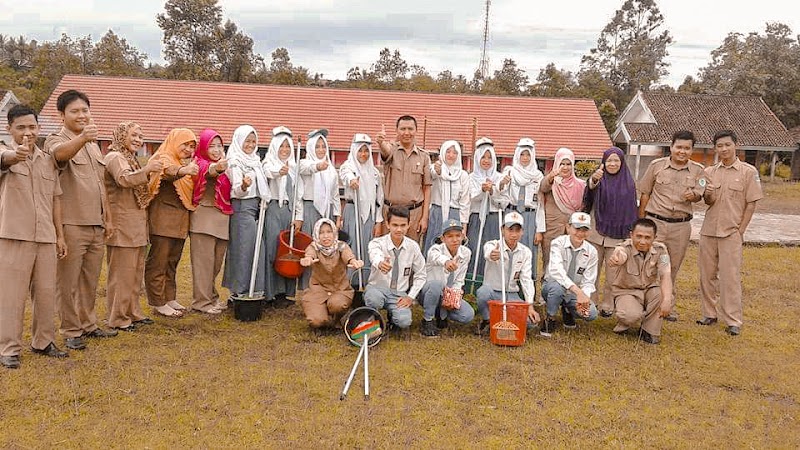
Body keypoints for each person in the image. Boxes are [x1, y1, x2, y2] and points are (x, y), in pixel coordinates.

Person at [44, 89, 116, 351]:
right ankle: (71, 330)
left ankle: (88, 324)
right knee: (67, 281)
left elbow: (100, 184)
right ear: (61, 115)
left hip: (95, 224)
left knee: (90, 279)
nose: (82, 115)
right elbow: (59, 156)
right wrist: (82, 138)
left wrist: (107, 218)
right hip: (71, 224)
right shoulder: (56, 139)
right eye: (75, 111)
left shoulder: (93, 145)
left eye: (85, 110)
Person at [0, 105, 69, 368]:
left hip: (45, 237)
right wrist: (13, 156)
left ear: (39, 128)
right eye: (21, 127)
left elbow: (55, 199)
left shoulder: (47, 160)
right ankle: (8, 348)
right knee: (11, 295)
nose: (27, 132)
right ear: (9, 129)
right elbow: (4, 159)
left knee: (46, 292)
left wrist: (60, 236)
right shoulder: (5, 153)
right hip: (13, 235)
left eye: (32, 127)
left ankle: (44, 341)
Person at [698, 130, 762, 336]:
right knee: (707, 276)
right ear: (715, 148)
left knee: (730, 277)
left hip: (731, 232)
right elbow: (707, 201)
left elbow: (751, 204)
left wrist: (740, 230)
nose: (724, 149)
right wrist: (707, 195)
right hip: (709, 231)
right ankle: (709, 313)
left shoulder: (748, 172)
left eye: (727, 145)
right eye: (719, 146)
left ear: (735, 145)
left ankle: (733, 320)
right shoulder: (709, 172)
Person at [638, 130, 707, 322]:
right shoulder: (656, 166)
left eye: (687, 148)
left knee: (672, 266)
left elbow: (701, 193)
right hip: (656, 223)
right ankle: (645, 303)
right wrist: (641, 223)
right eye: (679, 147)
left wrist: (694, 195)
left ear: (692, 150)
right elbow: (645, 194)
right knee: (649, 264)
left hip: (680, 226)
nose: (682, 151)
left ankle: (667, 304)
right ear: (671, 147)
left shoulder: (699, 171)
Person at [103, 122, 161, 331]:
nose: (138, 139)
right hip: (121, 224)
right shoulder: (114, 157)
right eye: (134, 135)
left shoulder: (130, 157)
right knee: (122, 274)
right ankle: (118, 318)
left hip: (136, 224)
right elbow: (123, 180)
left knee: (135, 272)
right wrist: (148, 170)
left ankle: (133, 312)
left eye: (141, 136)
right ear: (121, 135)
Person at [144, 128, 198, 318]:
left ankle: (169, 297)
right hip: (163, 222)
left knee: (172, 262)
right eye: (185, 144)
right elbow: (166, 171)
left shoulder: (181, 162)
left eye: (192, 146)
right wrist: (184, 170)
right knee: (158, 261)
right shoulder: (163, 157)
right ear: (175, 141)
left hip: (180, 222)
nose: (189, 150)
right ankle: (158, 302)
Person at [584, 147, 638, 316]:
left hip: (618, 235)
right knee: (592, 270)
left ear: (622, 162)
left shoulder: (628, 183)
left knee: (613, 272)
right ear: (603, 162)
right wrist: (593, 180)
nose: (613, 164)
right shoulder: (598, 179)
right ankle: (590, 302)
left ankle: (608, 305)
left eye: (616, 160)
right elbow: (587, 197)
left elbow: (631, 210)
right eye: (609, 160)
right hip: (596, 232)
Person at [607, 218, 672, 344]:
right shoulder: (624, 248)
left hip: (649, 290)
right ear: (631, 235)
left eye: (647, 237)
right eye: (639, 236)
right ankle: (624, 321)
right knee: (630, 315)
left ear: (655, 237)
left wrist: (667, 300)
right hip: (627, 291)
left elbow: (665, 275)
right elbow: (620, 254)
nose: (642, 241)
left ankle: (649, 330)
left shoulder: (661, 250)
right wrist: (617, 258)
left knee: (664, 295)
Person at [222, 125, 268, 299]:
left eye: (253, 141)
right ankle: (239, 291)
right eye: (247, 141)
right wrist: (244, 186)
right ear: (239, 141)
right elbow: (237, 191)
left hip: (255, 208)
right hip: (242, 208)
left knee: (255, 248)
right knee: (243, 250)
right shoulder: (235, 161)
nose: (250, 144)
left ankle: (253, 289)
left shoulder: (255, 161)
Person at [475, 211, 539, 335]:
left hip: (512, 295)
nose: (514, 234)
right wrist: (492, 255)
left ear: (522, 231)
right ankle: (487, 320)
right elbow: (488, 253)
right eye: (510, 229)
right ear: (502, 229)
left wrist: (529, 305)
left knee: (530, 322)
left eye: (517, 230)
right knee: (483, 293)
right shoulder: (493, 245)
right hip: (492, 293)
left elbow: (526, 279)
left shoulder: (526, 252)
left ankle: (503, 317)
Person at [364, 206, 427, 332]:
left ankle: (393, 319)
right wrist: (380, 263)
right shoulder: (377, 243)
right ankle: (372, 319)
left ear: (409, 225)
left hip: (399, 294)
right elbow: (374, 254)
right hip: (378, 289)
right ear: (387, 224)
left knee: (404, 321)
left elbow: (421, 274)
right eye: (395, 225)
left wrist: (410, 297)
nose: (399, 229)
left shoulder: (413, 247)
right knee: (373, 299)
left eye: (403, 225)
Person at [189, 129, 231, 314]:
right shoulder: (199, 163)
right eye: (211, 146)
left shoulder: (226, 167)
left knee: (215, 264)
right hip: (203, 219)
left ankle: (211, 298)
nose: (215, 149)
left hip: (222, 218)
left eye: (219, 146)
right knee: (202, 264)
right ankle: (201, 302)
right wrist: (219, 167)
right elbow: (209, 172)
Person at [299, 218, 364, 330]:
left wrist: (354, 262)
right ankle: (324, 319)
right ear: (316, 235)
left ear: (334, 233)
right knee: (316, 321)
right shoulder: (313, 247)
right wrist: (307, 259)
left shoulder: (341, 246)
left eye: (329, 232)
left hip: (340, 289)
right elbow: (310, 254)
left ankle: (337, 318)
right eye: (321, 233)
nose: (325, 236)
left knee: (337, 304)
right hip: (318, 290)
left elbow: (348, 255)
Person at [375, 116, 432, 241]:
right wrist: (381, 143)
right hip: (391, 211)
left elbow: (427, 188)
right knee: (388, 252)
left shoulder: (424, 157)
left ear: (416, 130)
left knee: (412, 253)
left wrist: (424, 217)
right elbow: (385, 151)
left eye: (410, 129)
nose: (407, 133)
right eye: (403, 129)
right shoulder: (392, 150)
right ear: (397, 131)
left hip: (414, 213)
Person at [263, 126, 302, 308]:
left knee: (288, 251)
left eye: (288, 147)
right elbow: (268, 173)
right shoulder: (268, 163)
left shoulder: (294, 168)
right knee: (273, 250)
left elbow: (298, 194)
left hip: (288, 211)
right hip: (272, 209)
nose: (285, 150)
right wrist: (279, 171)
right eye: (281, 147)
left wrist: (298, 216)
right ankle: (269, 293)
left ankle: (285, 293)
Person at [541, 212, 599, 332]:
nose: (580, 233)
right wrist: (578, 292)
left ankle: (568, 310)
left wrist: (584, 298)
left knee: (591, 314)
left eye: (584, 230)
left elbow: (589, 281)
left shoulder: (592, 251)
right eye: (577, 229)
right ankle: (550, 317)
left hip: (574, 293)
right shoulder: (558, 243)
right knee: (557, 289)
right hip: (553, 286)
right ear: (568, 227)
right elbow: (557, 272)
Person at [418, 219, 474, 338]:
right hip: (429, 293)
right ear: (443, 238)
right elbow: (435, 257)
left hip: (447, 295)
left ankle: (441, 314)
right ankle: (427, 320)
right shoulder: (435, 249)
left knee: (468, 315)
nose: (455, 240)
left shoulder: (466, 253)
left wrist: (454, 296)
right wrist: (446, 261)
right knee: (436, 284)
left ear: (463, 236)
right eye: (450, 236)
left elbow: (459, 278)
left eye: (458, 236)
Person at [339, 133, 384, 280]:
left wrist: (378, 221)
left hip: (369, 214)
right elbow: (345, 175)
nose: (363, 154)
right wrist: (352, 180)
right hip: (353, 210)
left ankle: (364, 282)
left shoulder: (375, 173)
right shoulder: (349, 166)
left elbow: (379, 199)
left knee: (368, 247)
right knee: (351, 246)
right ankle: (349, 282)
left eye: (366, 151)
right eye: (360, 150)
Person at [502, 138, 545, 282]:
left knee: (527, 250)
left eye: (528, 155)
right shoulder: (509, 171)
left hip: (529, 216)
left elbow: (540, 204)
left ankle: (526, 286)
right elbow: (500, 194)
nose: (525, 158)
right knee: (509, 248)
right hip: (511, 213)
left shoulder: (538, 176)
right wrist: (502, 184)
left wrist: (539, 230)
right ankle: (506, 283)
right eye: (522, 154)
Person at [466, 138, 510, 276]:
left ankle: (489, 280)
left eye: (489, 157)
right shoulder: (471, 177)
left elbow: (503, 202)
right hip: (476, 218)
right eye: (483, 157)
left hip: (494, 218)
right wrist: (481, 190)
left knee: (492, 248)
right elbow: (469, 199)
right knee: (474, 247)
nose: (486, 161)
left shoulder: (500, 178)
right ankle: (471, 279)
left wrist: (492, 191)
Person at [539, 147, 585, 278]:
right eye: (562, 164)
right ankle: (546, 292)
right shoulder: (553, 182)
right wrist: (551, 176)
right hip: (552, 228)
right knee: (549, 261)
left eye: (568, 164)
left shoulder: (580, 185)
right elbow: (542, 187)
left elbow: (584, 205)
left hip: (571, 229)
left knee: (570, 261)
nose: (565, 167)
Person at [423, 140, 470, 254]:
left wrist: (464, 226)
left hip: (454, 215)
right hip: (437, 214)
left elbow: (465, 202)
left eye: (454, 153)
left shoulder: (462, 175)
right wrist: (438, 171)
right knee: (434, 247)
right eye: (448, 152)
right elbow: (433, 174)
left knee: (452, 248)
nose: (451, 155)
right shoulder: (436, 168)